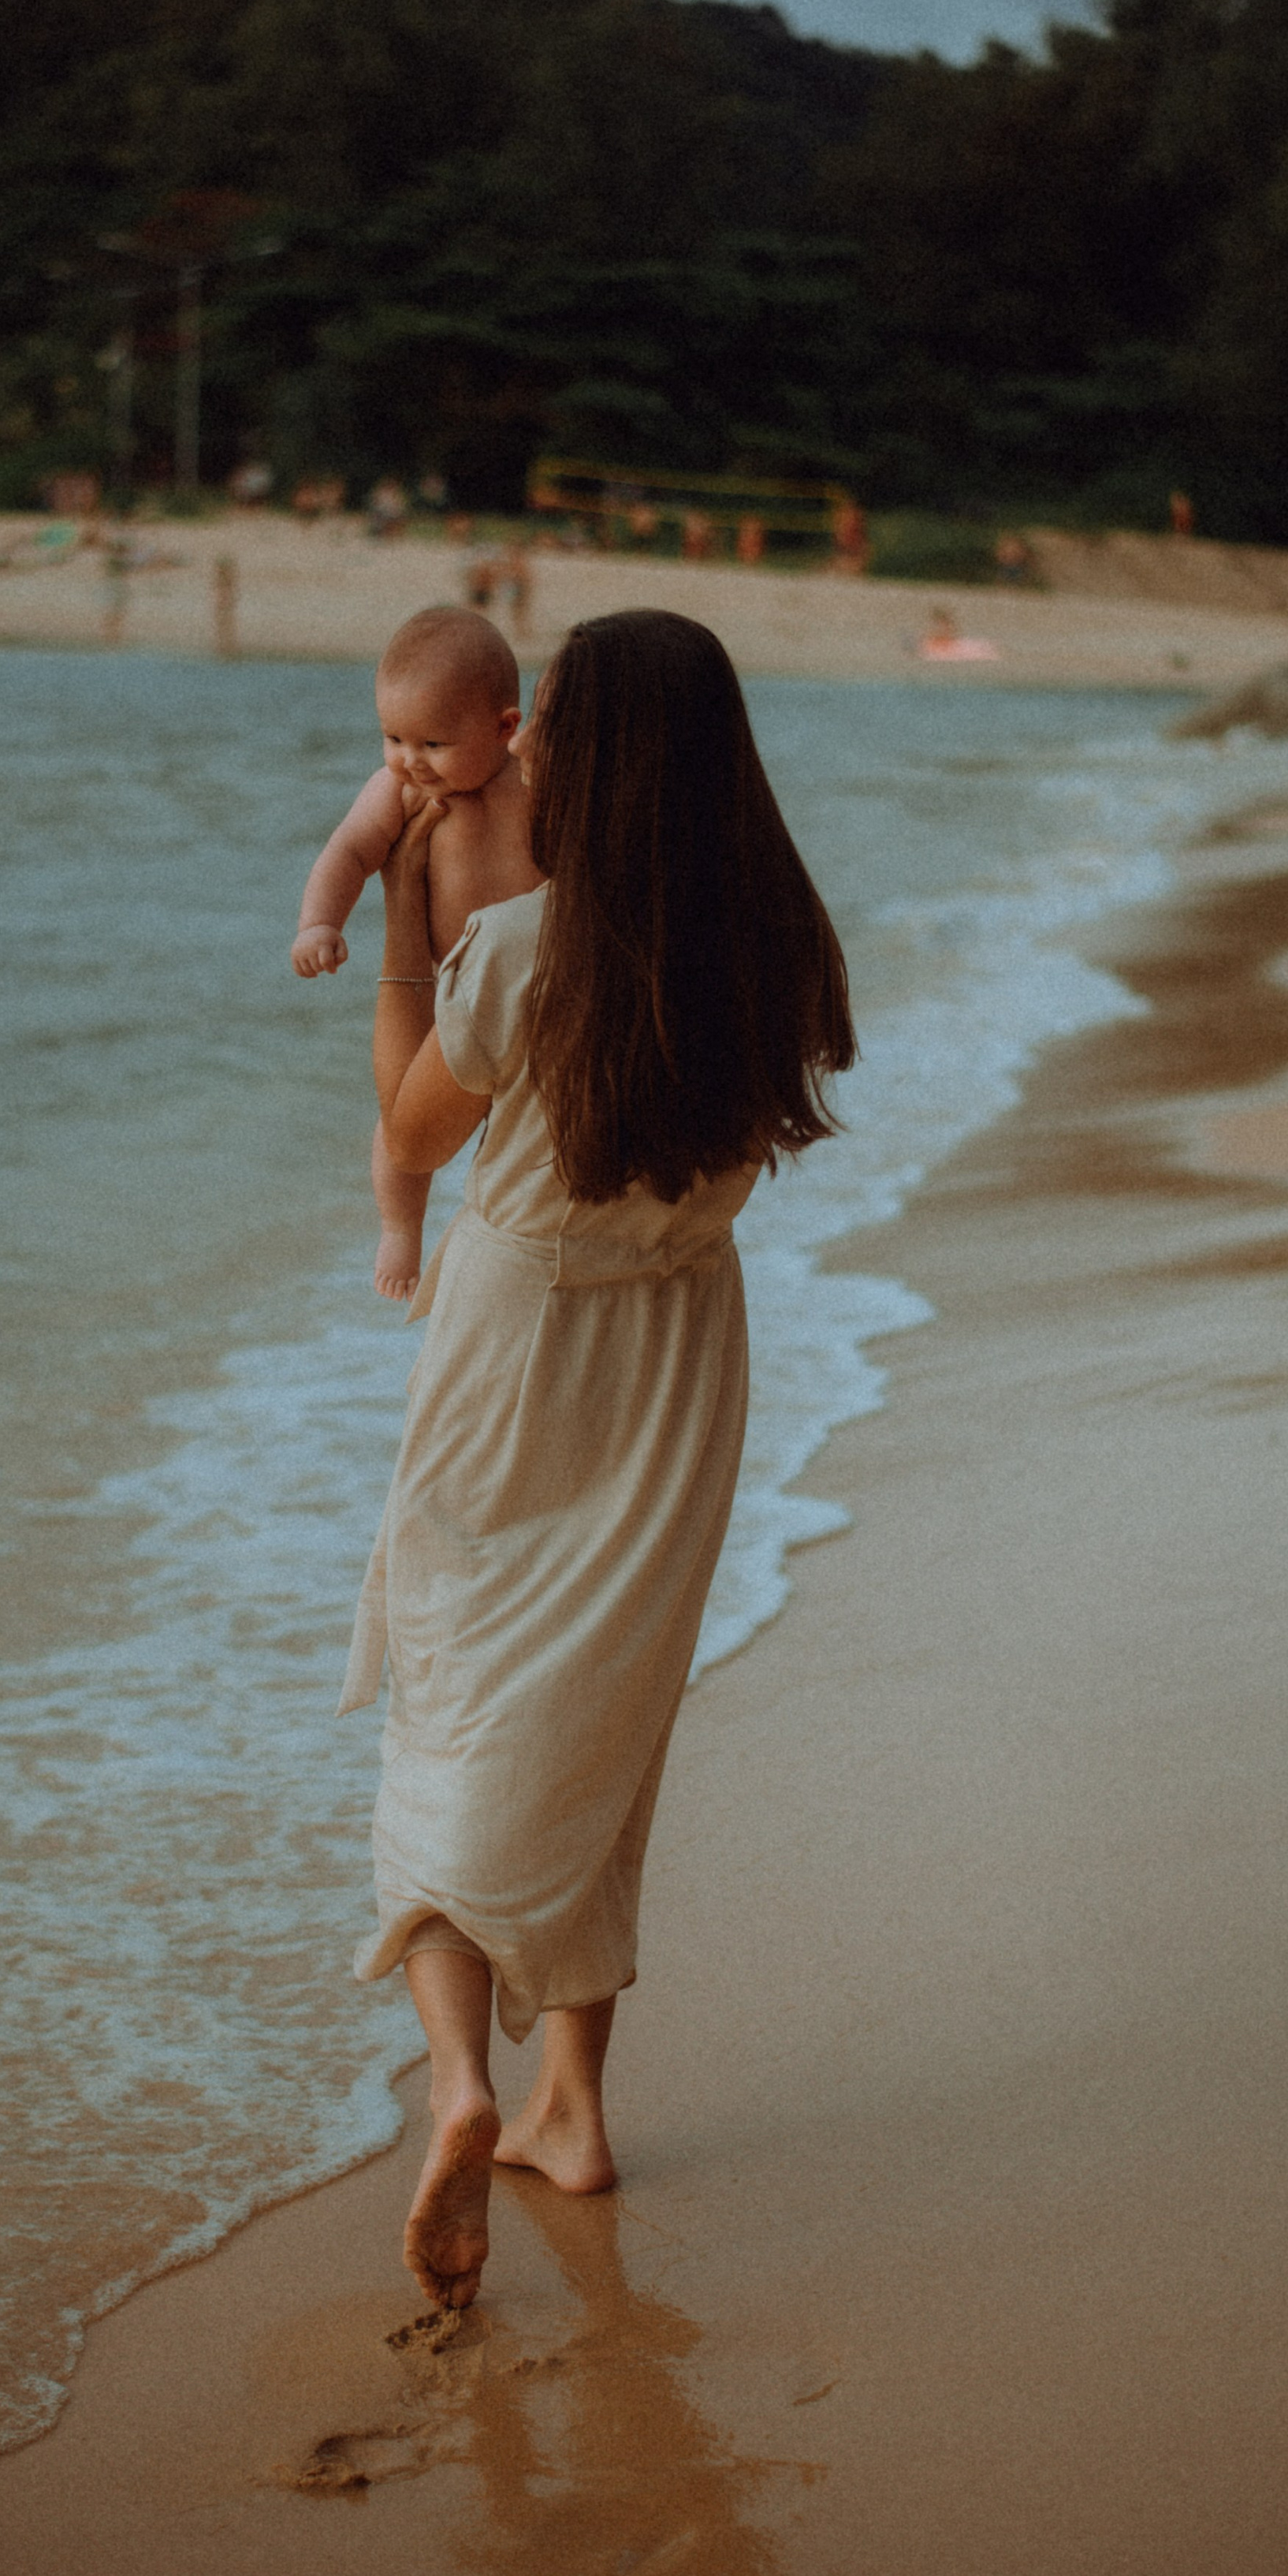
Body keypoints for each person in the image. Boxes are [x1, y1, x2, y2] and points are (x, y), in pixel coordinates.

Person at [343, 609, 855, 2310]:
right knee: (599, 1720)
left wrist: (413, 923)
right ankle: (572, 2112)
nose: (535, 736)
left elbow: (413, 1124)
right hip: (677, 1359)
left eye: (553, 713)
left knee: (456, 1692)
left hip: (514, 1346)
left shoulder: (530, 948)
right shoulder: (776, 943)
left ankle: (468, 2083)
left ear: (600, 751)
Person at [292, 609, 538, 1299]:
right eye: (391, 737)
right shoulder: (397, 792)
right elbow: (348, 852)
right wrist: (319, 924)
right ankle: (401, 1226)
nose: (408, 759)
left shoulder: (532, 789)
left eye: (432, 742)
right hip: (443, 988)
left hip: (524, 989)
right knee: (402, 1116)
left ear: (505, 728)